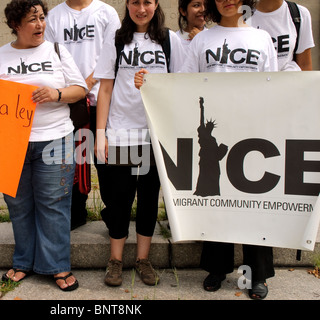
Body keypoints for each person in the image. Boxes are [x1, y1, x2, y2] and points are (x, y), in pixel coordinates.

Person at [0, 0, 87, 291]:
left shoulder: (56, 50)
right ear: (16, 25)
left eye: (41, 17)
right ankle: (23, 261)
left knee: (55, 204)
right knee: (19, 204)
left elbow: (80, 89)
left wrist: (56, 93)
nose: (40, 25)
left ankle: (57, 267)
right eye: (32, 19)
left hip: (55, 138)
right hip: (12, 143)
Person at [179, 0, 278, 300]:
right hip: (218, 134)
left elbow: (273, 86)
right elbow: (183, 83)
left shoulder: (261, 38)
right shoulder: (203, 40)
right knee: (218, 199)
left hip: (252, 133)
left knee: (253, 200)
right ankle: (217, 268)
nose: (227, 0)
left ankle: (257, 274)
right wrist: (150, 84)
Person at [94, 0, 185, 287]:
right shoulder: (116, 38)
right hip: (122, 132)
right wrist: (100, 133)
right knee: (119, 199)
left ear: (156, 4)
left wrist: (152, 82)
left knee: (148, 199)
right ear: (128, 5)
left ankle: (143, 260)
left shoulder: (170, 40)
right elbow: (105, 88)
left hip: (155, 134)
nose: (141, 9)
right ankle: (116, 261)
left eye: (147, 2)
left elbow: (180, 86)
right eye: (135, 2)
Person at [45, 0, 121, 230]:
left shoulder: (106, 13)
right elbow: (49, 57)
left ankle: (115, 218)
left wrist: (86, 84)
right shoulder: (54, 16)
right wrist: (73, 90)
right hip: (69, 103)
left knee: (106, 163)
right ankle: (75, 213)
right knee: (73, 161)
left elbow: (113, 54)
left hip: (101, 101)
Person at [251, 0, 315, 71]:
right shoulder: (241, 14)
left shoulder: (299, 13)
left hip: (288, 80)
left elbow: (304, 65)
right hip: (254, 80)